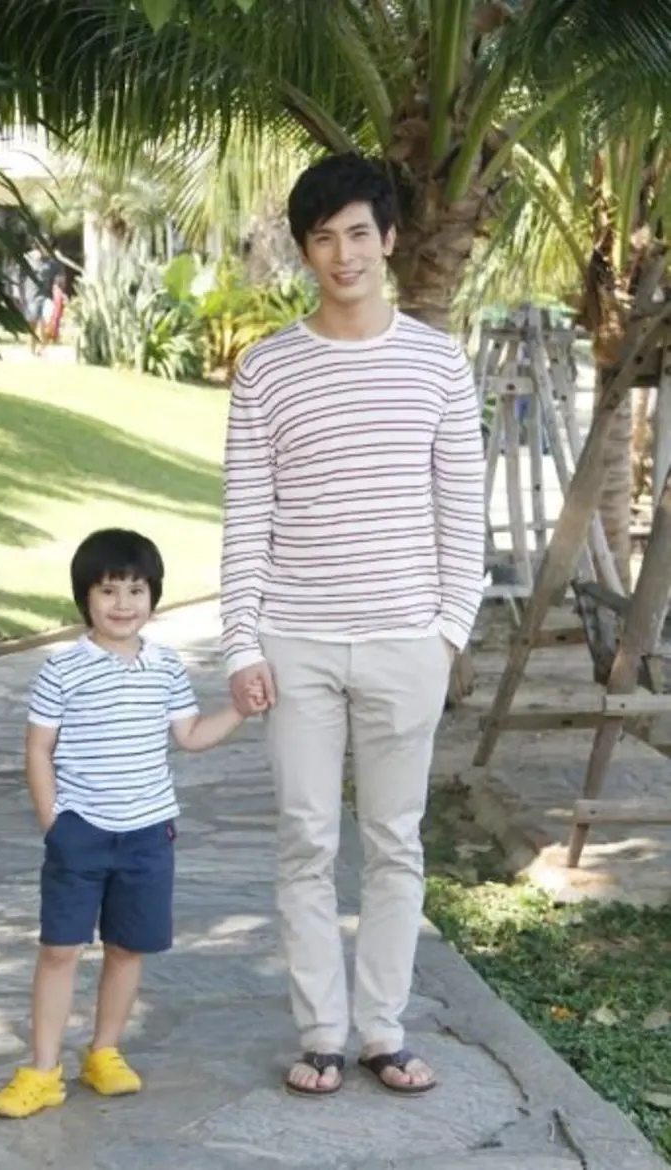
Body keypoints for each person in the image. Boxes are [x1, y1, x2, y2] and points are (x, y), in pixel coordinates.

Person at [221, 153, 485, 1097]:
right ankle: (322, 1034)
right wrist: (241, 643)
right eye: (324, 238)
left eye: (359, 234)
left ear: (390, 238)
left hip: (406, 643)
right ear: (305, 250)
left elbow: (462, 513)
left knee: (394, 842)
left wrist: (447, 633)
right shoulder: (266, 370)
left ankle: (382, 1029)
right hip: (295, 644)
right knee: (304, 839)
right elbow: (247, 519)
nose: (344, 254)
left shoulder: (438, 363)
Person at [0, 528, 251, 1119]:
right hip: (79, 834)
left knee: (128, 949)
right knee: (60, 950)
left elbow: (190, 735)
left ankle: (104, 1052)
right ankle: (42, 1071)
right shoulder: (62, 668)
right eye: (108, 591)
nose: (123, 603)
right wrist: (54, 823)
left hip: (148, 837)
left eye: (136, 590)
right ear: (85, 597)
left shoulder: (166, 666)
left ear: (153, 596)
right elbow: (38, 750)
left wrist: (238, 709)